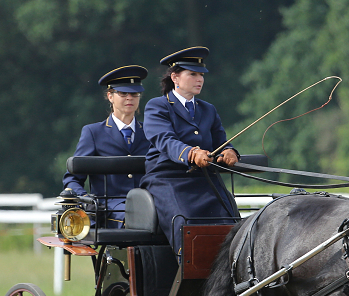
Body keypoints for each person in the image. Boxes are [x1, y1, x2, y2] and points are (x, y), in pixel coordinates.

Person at [141, 46, 240, 258]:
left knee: (232, 223)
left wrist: (230, 152)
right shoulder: (157, 107)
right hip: (167, 179)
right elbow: (164, 140)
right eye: (193, 74)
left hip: (204, 179)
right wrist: (191, 153)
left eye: (201, 74)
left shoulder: (208, 109)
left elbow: (221, 142)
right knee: (186, 225)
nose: (200, 79)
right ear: (175, 77)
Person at [63, 65, 150, 228]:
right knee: (137, 220)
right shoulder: (93, 133)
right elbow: (73, 179)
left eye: (134, 93)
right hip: (110, 208)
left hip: (149, 203)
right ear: (110, 96)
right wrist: (87, 200)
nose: (129, 98)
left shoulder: (151, 133)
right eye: (123, 93)